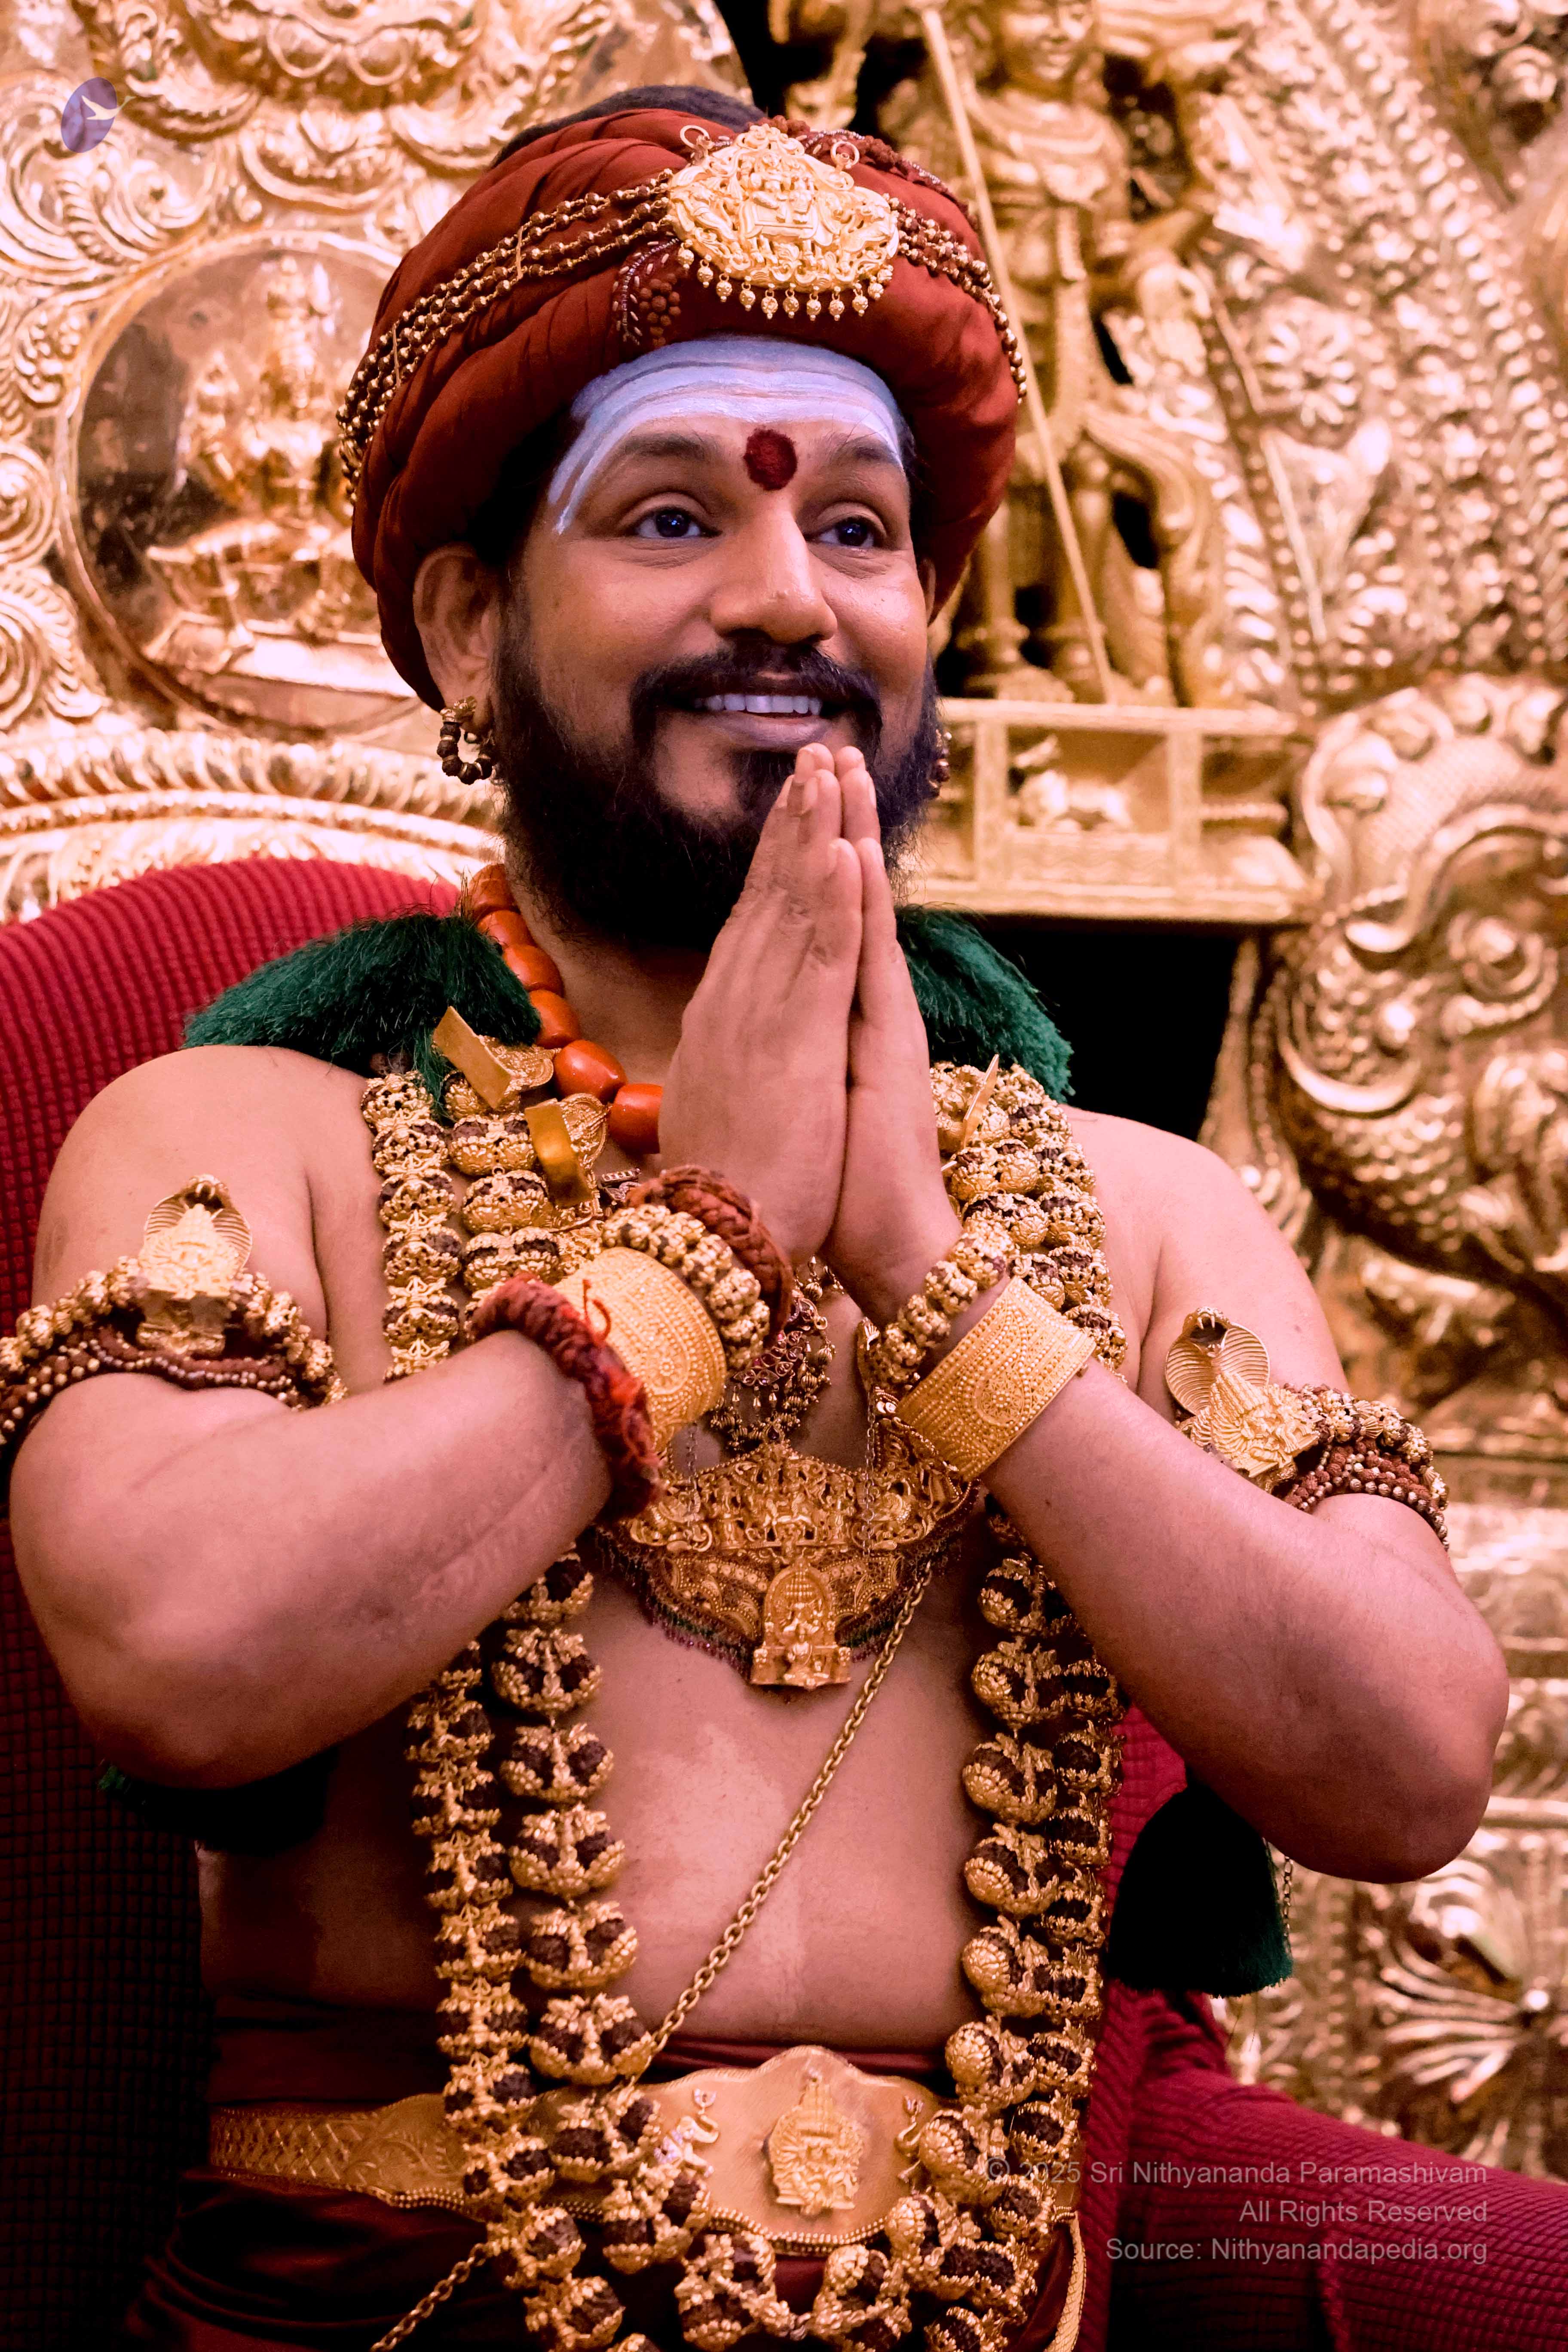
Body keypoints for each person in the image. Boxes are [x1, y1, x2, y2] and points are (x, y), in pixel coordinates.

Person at [6, 83, 1564, 2352]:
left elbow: (1410, 1767)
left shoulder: (1136, 1210)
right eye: (670, 517)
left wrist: (939, 1284)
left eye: (857, 529)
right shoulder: (253, 1135)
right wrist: (701, 1249)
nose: (783, 595)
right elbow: (177, 1652)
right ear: (467, 629)